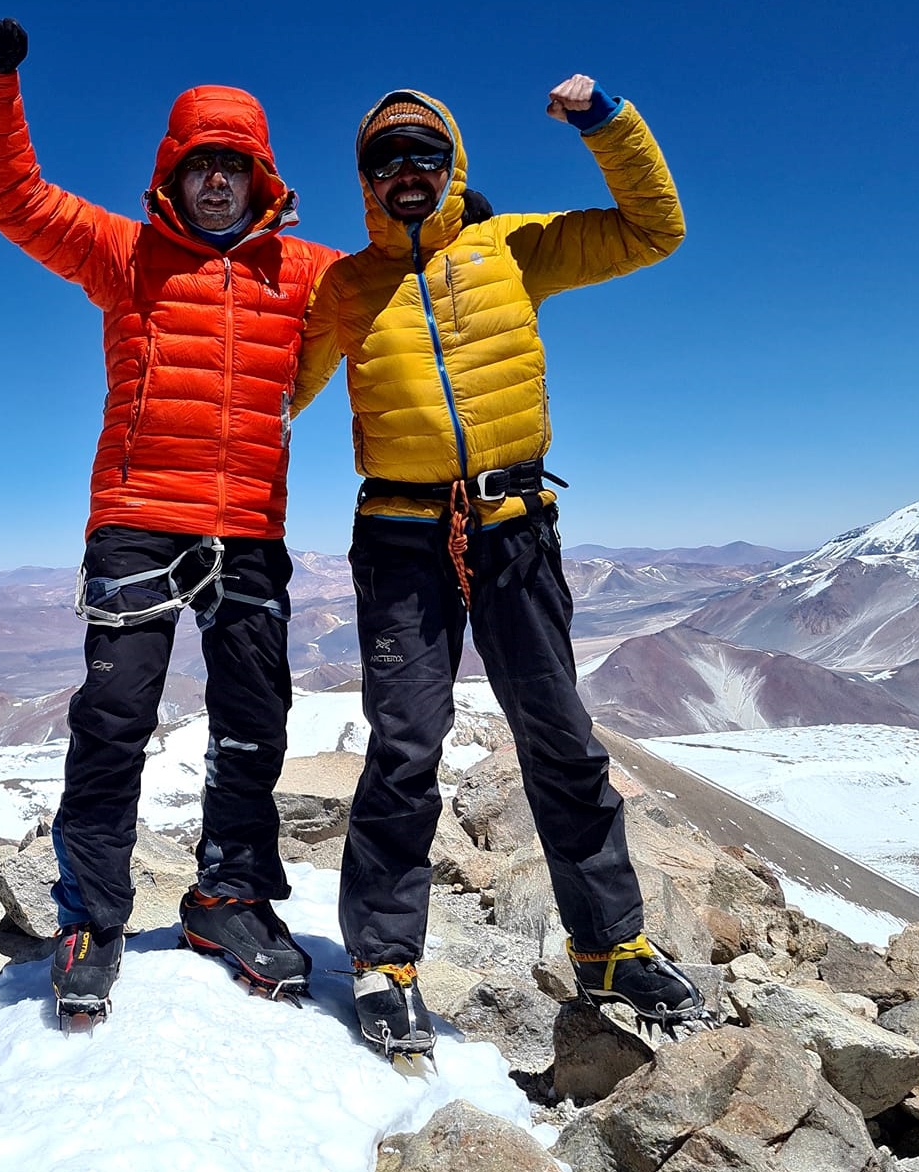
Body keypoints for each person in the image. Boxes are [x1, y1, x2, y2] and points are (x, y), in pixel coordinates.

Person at [291, 76, 708, 1059]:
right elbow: (271, 391)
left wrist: (609, 120)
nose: (406, 171)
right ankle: (385, 961)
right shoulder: (343, 288)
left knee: (559, 734)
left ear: (454, 163)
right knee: (404, 744)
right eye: (385, 157)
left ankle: (609, 944)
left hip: (513, 527)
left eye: (423, 153)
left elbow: (655, 228)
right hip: (398, 541)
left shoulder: (513, 247)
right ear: (364, 179)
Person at [0, 18, 341, 1022]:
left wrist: (453, 227)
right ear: (170, 175)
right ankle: (92, 913)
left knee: (256, 721)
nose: (216, 182)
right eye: (200, 165)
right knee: (115, 719)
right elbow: (17, 199)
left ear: (261, 178)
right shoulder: (123, 255)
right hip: (136, 520)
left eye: (235, 166)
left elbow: (399, 293)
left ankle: (228, 897)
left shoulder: (305, 274)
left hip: (250, 530)